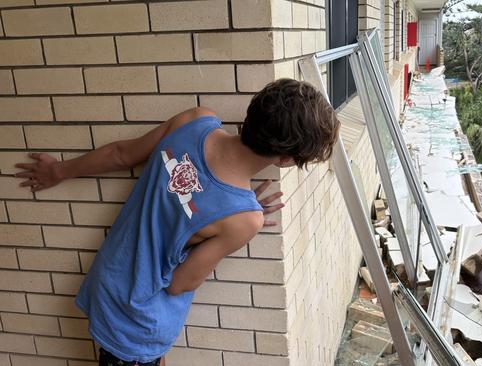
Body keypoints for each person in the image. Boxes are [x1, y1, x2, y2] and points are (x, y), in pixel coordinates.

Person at [14, 78, 340, 366]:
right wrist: (238, 220)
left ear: (254, 110)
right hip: (139, 319)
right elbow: (180, 283)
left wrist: (59, 171)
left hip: (110, 281)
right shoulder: (244, 219)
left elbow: (120, 153)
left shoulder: (195, 120)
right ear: (285, 159)